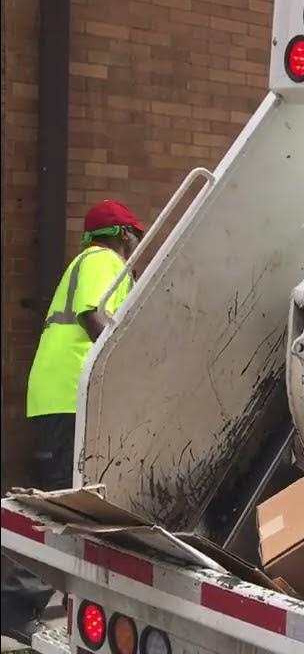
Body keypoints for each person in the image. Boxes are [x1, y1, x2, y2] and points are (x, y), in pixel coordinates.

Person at [0, 199, 143, 644]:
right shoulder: (103, 260)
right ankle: (16, 605)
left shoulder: (86, 260)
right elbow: (91, 315)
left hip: (60, 393)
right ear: (121, 235)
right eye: (134, 235)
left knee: (63, 495)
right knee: (59, 502)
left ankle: (32, 598)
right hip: (69, 394)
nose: (138, 243)